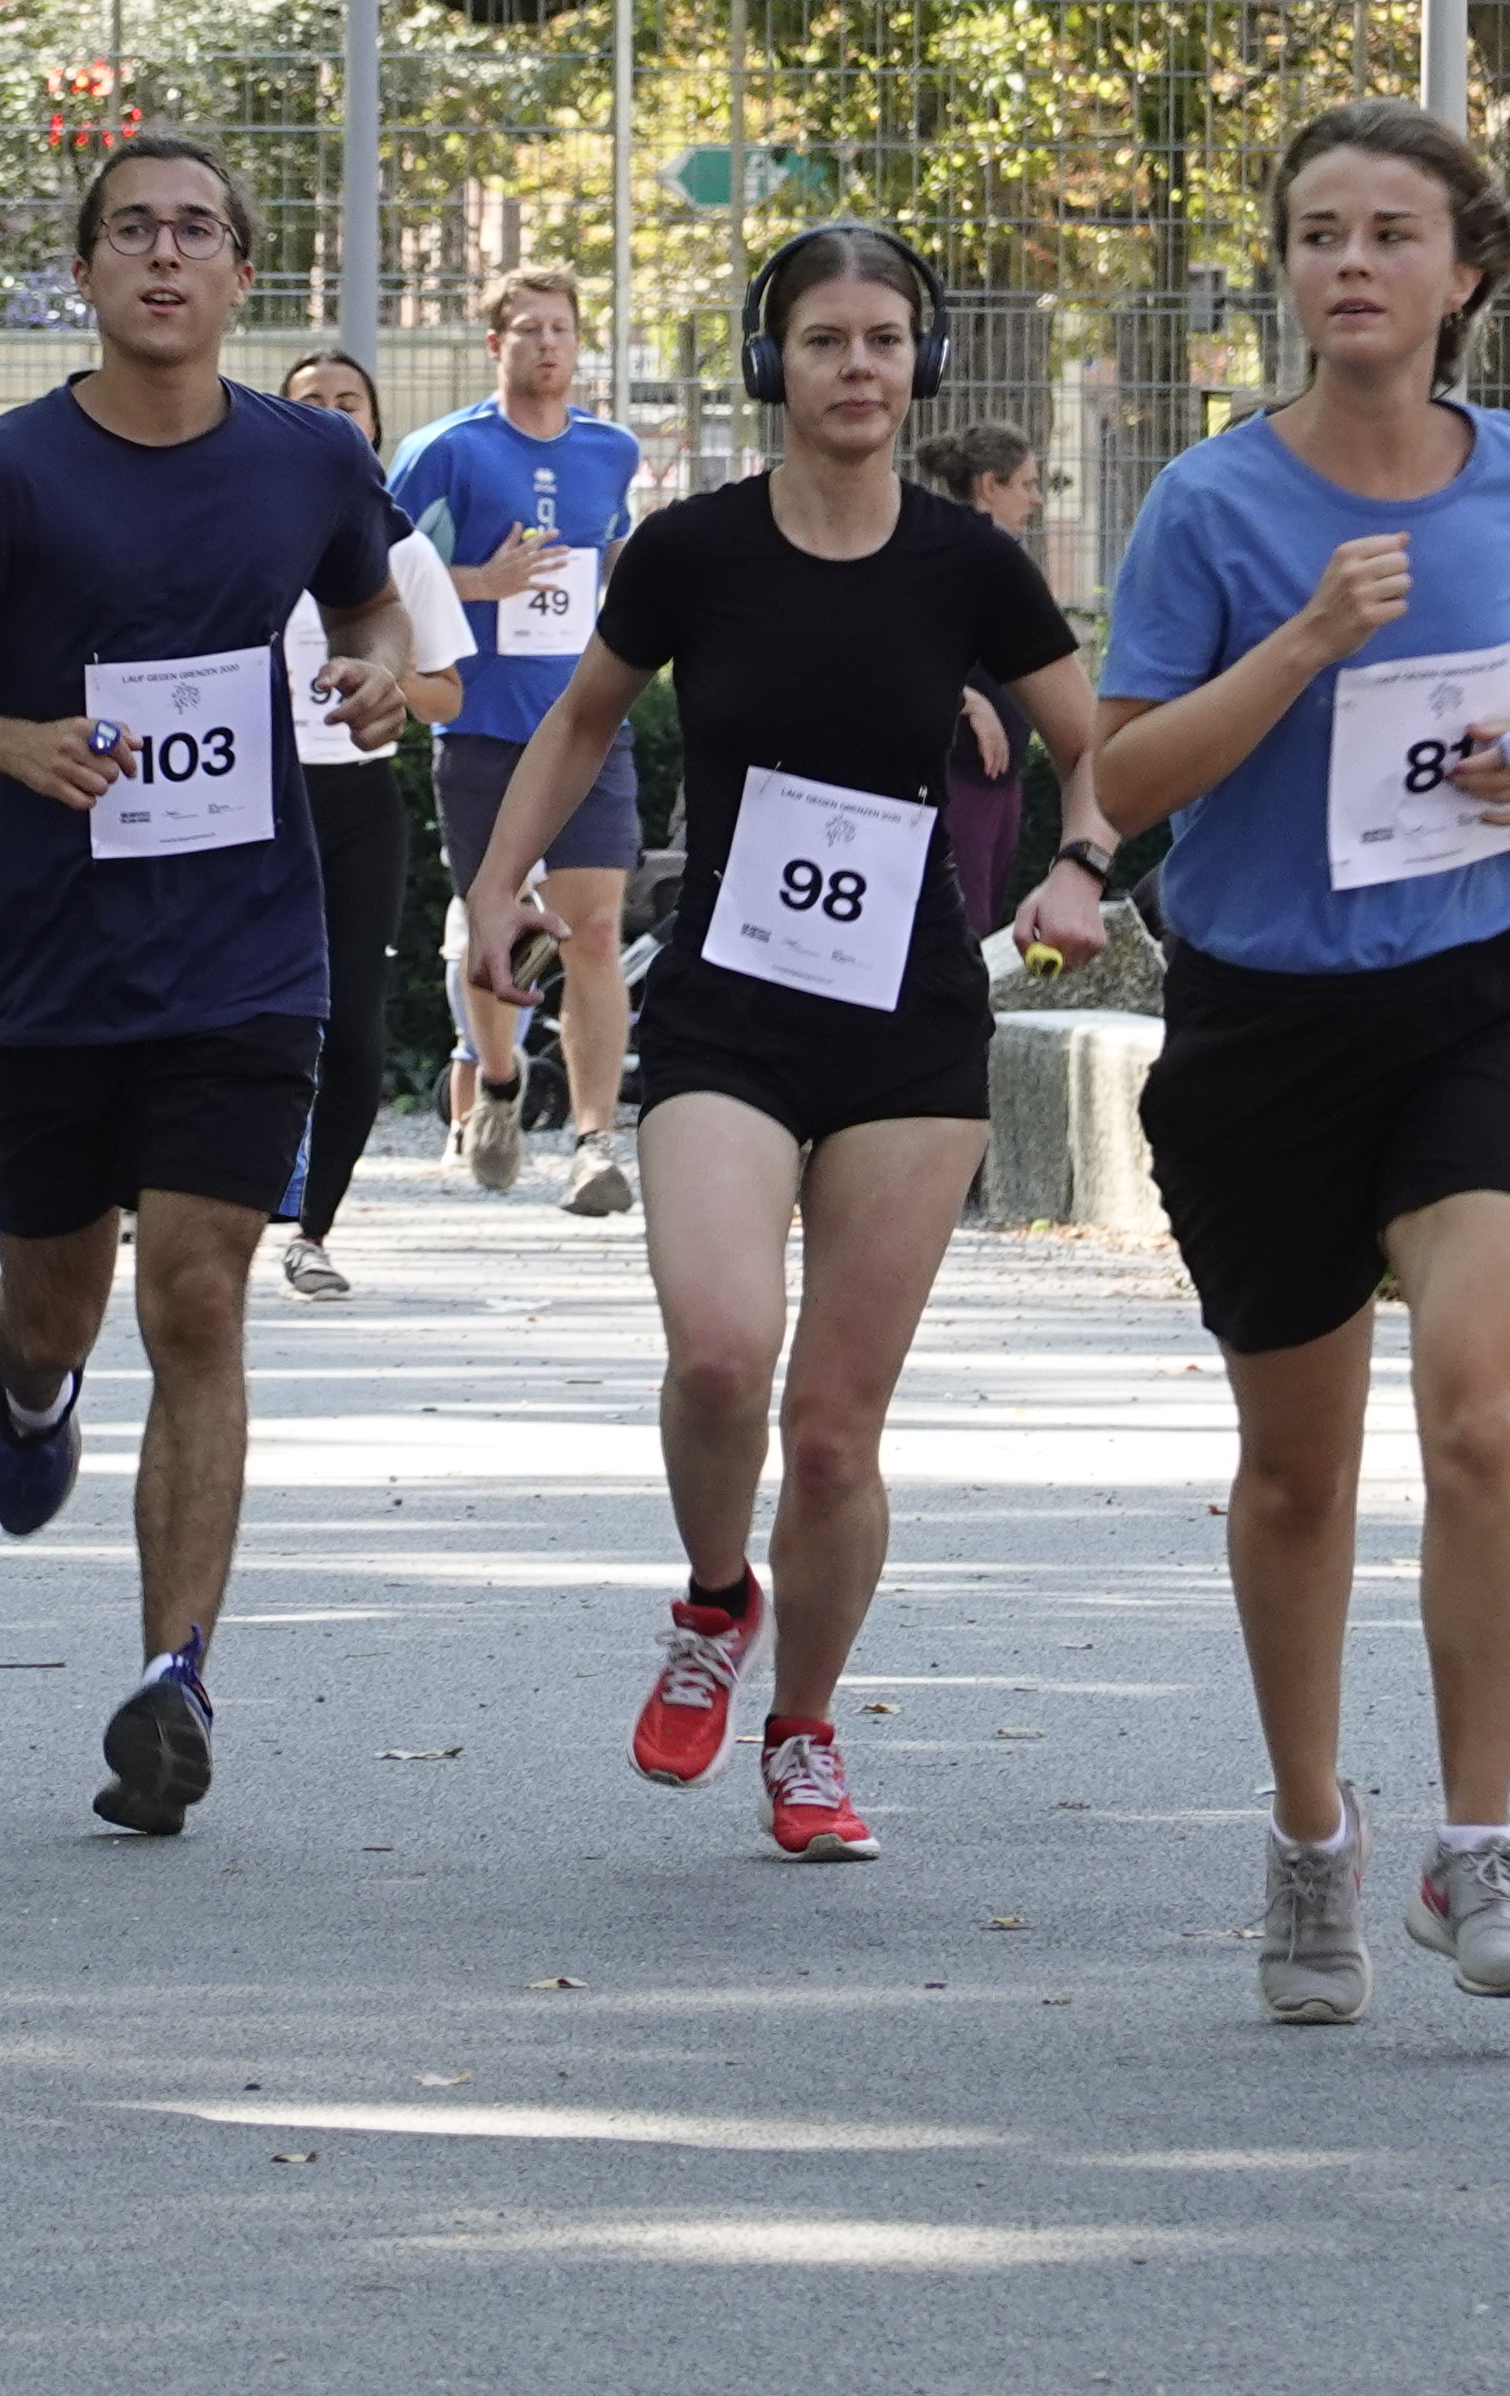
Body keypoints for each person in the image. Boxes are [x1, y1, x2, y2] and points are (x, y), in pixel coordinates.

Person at [463, 230, 1118, 1862]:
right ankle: (709, 1592)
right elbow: (582, 717)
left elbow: (1097, 748)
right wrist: (494, 883)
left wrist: (1076, 859)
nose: (856, 367)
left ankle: (806, 1727)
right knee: (715, 1350)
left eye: (885, 339)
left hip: (906, 1029)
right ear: (771, 364)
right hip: (731, 1018)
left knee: (830, 1431)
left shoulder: (970, 564)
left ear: (924, 364)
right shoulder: (693, 548)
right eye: (822, 338)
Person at [1089, 102, 1510, 2017]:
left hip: (1478, 991)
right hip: (1264, 1025)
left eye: (1392, 232)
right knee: (1297, 1477)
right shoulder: (1213, 504)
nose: (1352, 263)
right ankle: (1316, 1840)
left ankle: (1481, 1840)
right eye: (1318, 232)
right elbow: (1124, 778)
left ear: (1465, 273)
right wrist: (1301, 641)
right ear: (1286, 270)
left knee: (1478, 1407)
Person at [0, 140, 415, 1837]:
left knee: (196, 1296)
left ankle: (173, 1677)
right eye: (133, 230)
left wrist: (378, 677)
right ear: (87, 271)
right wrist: (10, 740)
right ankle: (31, 1384)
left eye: (197, 229)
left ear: (241, 275)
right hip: (50, 969)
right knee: (57, 1294)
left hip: (246, 956)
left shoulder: (311, 458)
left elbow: (375, 607)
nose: (165, 255)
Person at [390, 262, 645, 1209]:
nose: (548, 344)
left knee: (595, 930)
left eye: (563, 330)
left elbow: (613, 550)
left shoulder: (613, 449)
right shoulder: (446, 449)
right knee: (498, 928)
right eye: (528, 329)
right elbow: (369, 569)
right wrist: (475, 585)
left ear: (581, 344)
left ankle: (594, 1141)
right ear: (495, 345)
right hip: (485, 725)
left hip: (585, 719)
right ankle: (497, 1084)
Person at [270, 350, 472, 1299]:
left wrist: (386, 681)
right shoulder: (244, 533)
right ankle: (196, 1194)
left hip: (356, 802)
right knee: (232, 1011)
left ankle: (312, 1229)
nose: (332, 414)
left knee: (350, 1024)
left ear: (376, 428)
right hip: (249, 799)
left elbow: (447, 694)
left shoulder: (404, 549)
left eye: (348, 401)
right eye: (310, 402)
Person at [909, 422, 1051, 939]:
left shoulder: (1005, 560)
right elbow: (901, 649)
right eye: (1026, 485)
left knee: (985, 924)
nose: (1036, 499)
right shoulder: (949, 554)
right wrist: (969, 703)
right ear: (990, 485)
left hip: (998, 779)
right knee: (959, 929)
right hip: (958, 775)